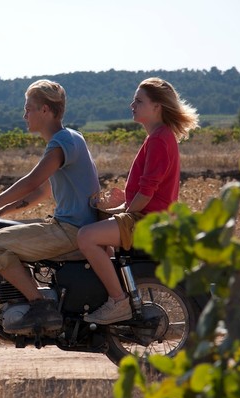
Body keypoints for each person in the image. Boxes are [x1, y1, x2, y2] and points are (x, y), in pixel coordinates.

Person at [0, 79, 100, 334]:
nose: (24, 115)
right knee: (4, 232)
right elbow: (41, 191)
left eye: (28, 108)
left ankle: (40, 305)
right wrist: (1, 213)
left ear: (45, 110)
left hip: (70, 230)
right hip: (72, 226)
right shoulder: (69, 138)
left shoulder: (61, 142)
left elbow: (32, 180)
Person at [77, 77, 199, 325]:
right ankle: (115, 294)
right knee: (100, 240)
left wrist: (122, 213)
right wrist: (118, 208)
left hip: (146, 221)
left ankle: (118, 301)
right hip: (150, 216)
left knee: (85, 237)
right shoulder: (161, 137)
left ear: (157, 107)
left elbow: (147, 193)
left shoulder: (158, 139)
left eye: (139, 101)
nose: (132, 105)